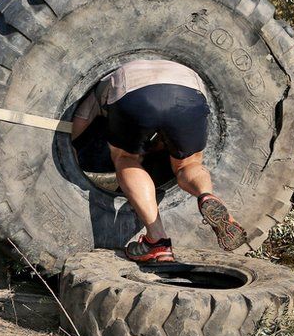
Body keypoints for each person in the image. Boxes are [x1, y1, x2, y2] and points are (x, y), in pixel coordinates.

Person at [72, 59, 247, 263]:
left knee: (126, 158)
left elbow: (82, 116)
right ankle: (206, 196)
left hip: (135, 95)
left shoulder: (108, 79)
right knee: (189, 164)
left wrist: (72, 147)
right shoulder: (181, 67)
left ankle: (157, 240)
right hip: (188, 94)